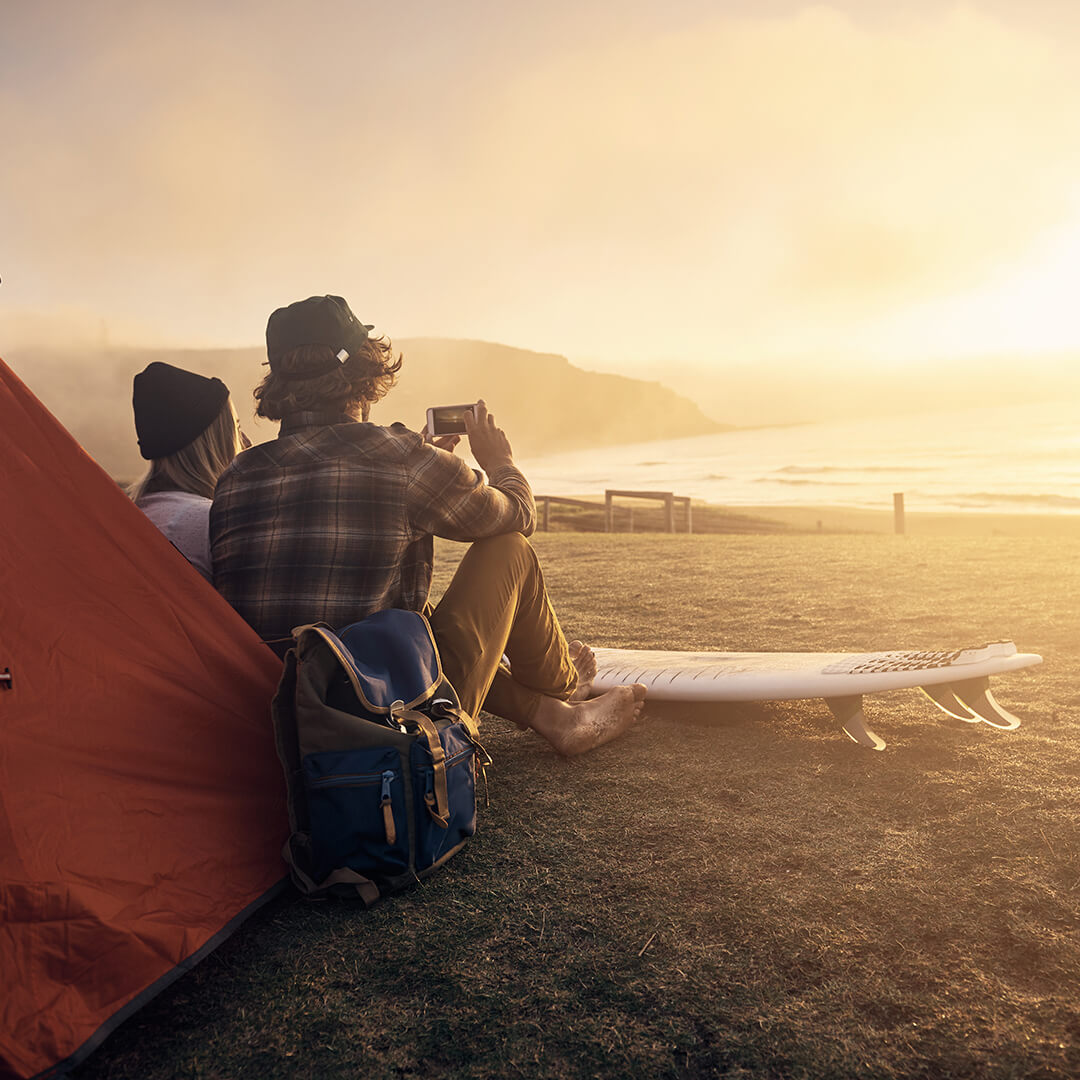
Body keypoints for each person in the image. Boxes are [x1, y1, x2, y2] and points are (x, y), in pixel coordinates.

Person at [210, 294, 645, 755]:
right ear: (366, 369)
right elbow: (518, 512)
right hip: (395, 721)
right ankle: (565, 685)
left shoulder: (236, 476)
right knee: (508, 549)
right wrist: (500, 462)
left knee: (409, 613)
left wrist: (418, 467)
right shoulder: (400, 458)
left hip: (281, 726)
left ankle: (551, 716)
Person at [129, 361, 248, 582]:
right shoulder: (211, 522)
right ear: (211, 445)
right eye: (236, 429)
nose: (246, 443)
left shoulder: (133, 515)